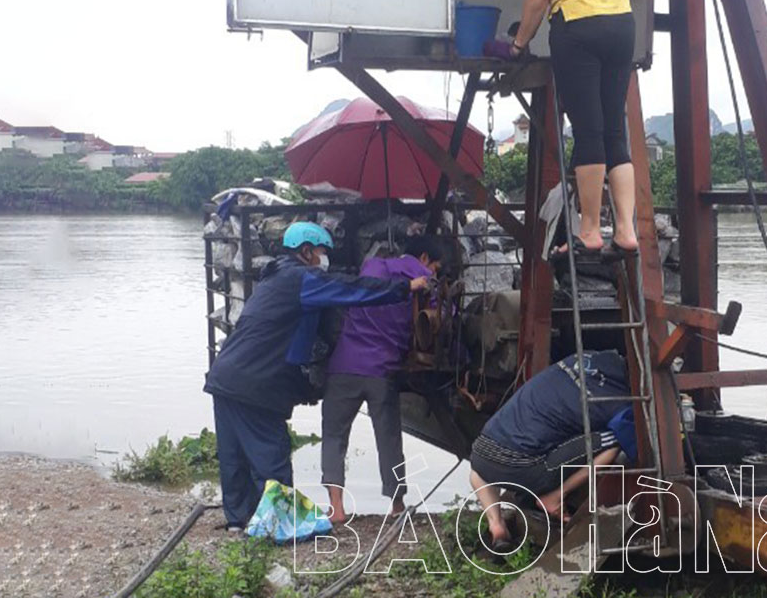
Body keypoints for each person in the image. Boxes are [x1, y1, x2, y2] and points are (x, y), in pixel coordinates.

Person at [203, 221, 429, 531]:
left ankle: (237, 521)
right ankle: (276, 523)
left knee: (234, 455)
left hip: (225, 375)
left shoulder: (274, 279)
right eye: (322, 252)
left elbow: (295, 343)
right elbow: (352, 289)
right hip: (254, 383)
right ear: (307, 252)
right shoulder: (303, 279)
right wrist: (405, 287)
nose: (325, 260)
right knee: (271, 453)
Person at [476, 0, 638, 256]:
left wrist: (516, 44)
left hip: (579, 29)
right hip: (621, 25)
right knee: (613, 131)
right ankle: (625, 231)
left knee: (587, 132)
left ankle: (588, 232)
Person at [320, 235, 448, 524]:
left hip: (344, 365)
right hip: (383, 370)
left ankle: (336, 508)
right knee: (388, 437)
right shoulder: (425, 281)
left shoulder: (372, 267)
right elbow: (444, 316)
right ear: (425, 258)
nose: (435, 273)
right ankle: (397, 505)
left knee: (334, 436)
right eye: (436, 266)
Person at [468, 350, 632, 550]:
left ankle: (497, 526)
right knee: (615, 438)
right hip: (523, 466)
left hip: (481, 454)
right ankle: (554, 497)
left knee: (479, 470)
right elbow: (634, 445)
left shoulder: (582, 359)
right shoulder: (616, 401)